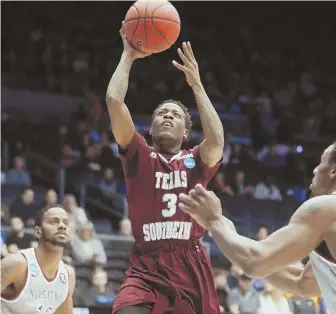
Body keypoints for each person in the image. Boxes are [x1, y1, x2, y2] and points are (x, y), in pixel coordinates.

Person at [106, 23, 224, 314]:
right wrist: (128, 56)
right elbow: (113, 100)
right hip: (146, 266)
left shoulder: (195, 161)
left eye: (175, 115)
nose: (167, 116)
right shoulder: (139, 155)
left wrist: (197, 85)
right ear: (151, 127)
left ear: (185, 133)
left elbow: (217, 140)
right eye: (161, 113)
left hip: (190, 263)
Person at [179, 142, 336, 311]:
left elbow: (255, 262)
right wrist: (228, 232)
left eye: (321, 162)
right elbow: (302, 283)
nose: (315, 170)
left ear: (333, 170)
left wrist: (215, 223)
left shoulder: (327, 208)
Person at [1, 205, 76, 314]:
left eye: (66, 223)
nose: (62, 226)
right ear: (38, 232)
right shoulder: (17, 263)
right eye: (54, 222)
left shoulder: (68, 275)